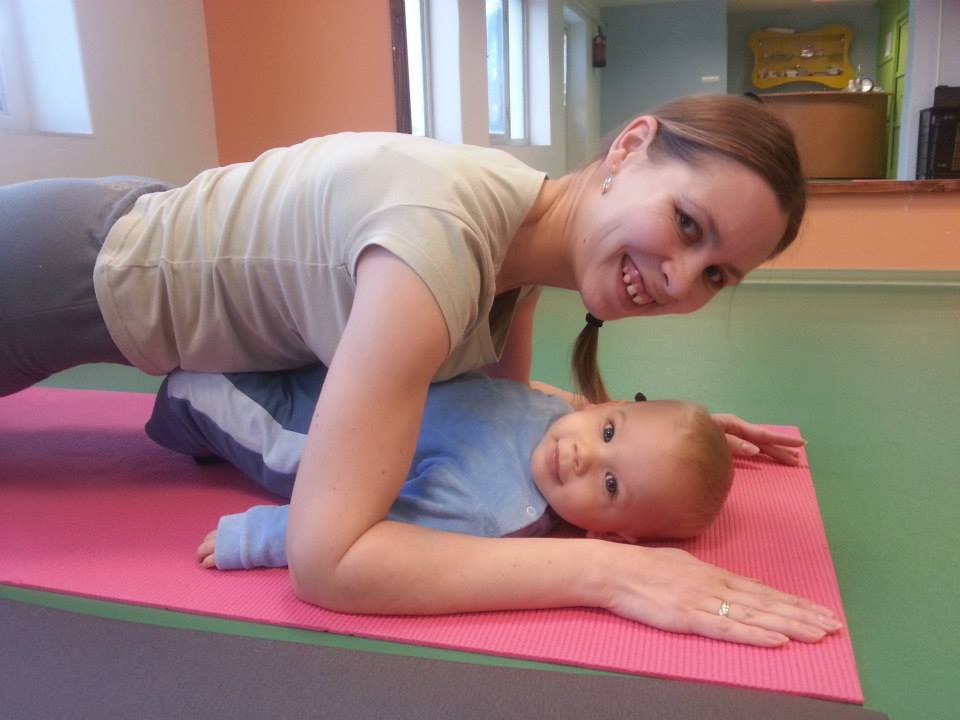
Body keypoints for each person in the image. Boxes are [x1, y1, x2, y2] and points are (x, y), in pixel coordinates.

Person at [0, 94, 838, 646]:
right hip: (50, 282)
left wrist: (667, 441)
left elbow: (485, 407)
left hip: (111, 221)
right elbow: (328, 562)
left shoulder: (524, 240)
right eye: (688, 224)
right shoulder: (436, 246)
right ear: (631, 146)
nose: (681, 282)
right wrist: (618, 571)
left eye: (716, 275)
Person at [143, 364, 735, 570]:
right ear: (603, 407)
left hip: (317, 441)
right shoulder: (555, 412)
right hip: (355, 386)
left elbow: (372, 525)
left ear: (611, 534)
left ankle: (185, 416)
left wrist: (259, 538)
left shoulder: (491, 512)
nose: (585, 455)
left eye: (609, 483)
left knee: (196, 390)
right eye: (608, 432)